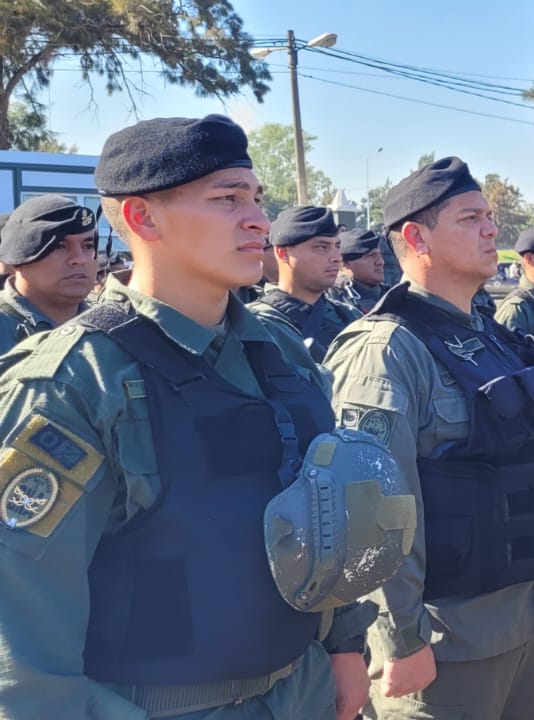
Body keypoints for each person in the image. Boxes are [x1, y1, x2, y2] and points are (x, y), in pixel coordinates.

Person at [0, 114, 377, 719]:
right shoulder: (75, 381)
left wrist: (344, 644)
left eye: (255, 198)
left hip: (299, 690)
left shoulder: (279, 354)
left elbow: (323, 510)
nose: (257, 218)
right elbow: (21, 625)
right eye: (227, 199)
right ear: (141, 218)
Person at [325, 157, 534, 719]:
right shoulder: (385, 350)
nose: (492, 229)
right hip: (445, 641)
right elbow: (368, 510)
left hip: (526, 623)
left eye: (489, 216)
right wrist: (401, 639)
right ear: (416, 237)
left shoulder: (489, 336)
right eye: (470, 218)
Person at [248, 205, 362, 362]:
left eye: (337, 246)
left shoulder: (350, 315)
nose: (337, 258)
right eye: (322, 247)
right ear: (283, 253)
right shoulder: (254, 324)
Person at [0, 195, 97, 353]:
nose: (79, 259)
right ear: (18, 257)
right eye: (59, 246)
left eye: (88, 245)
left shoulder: (113, 327)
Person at [331, 227, 388, 313]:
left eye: (379, 254)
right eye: (371, 255)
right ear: (345, 264)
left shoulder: (393, 296)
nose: (381, 262)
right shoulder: (331, 300)